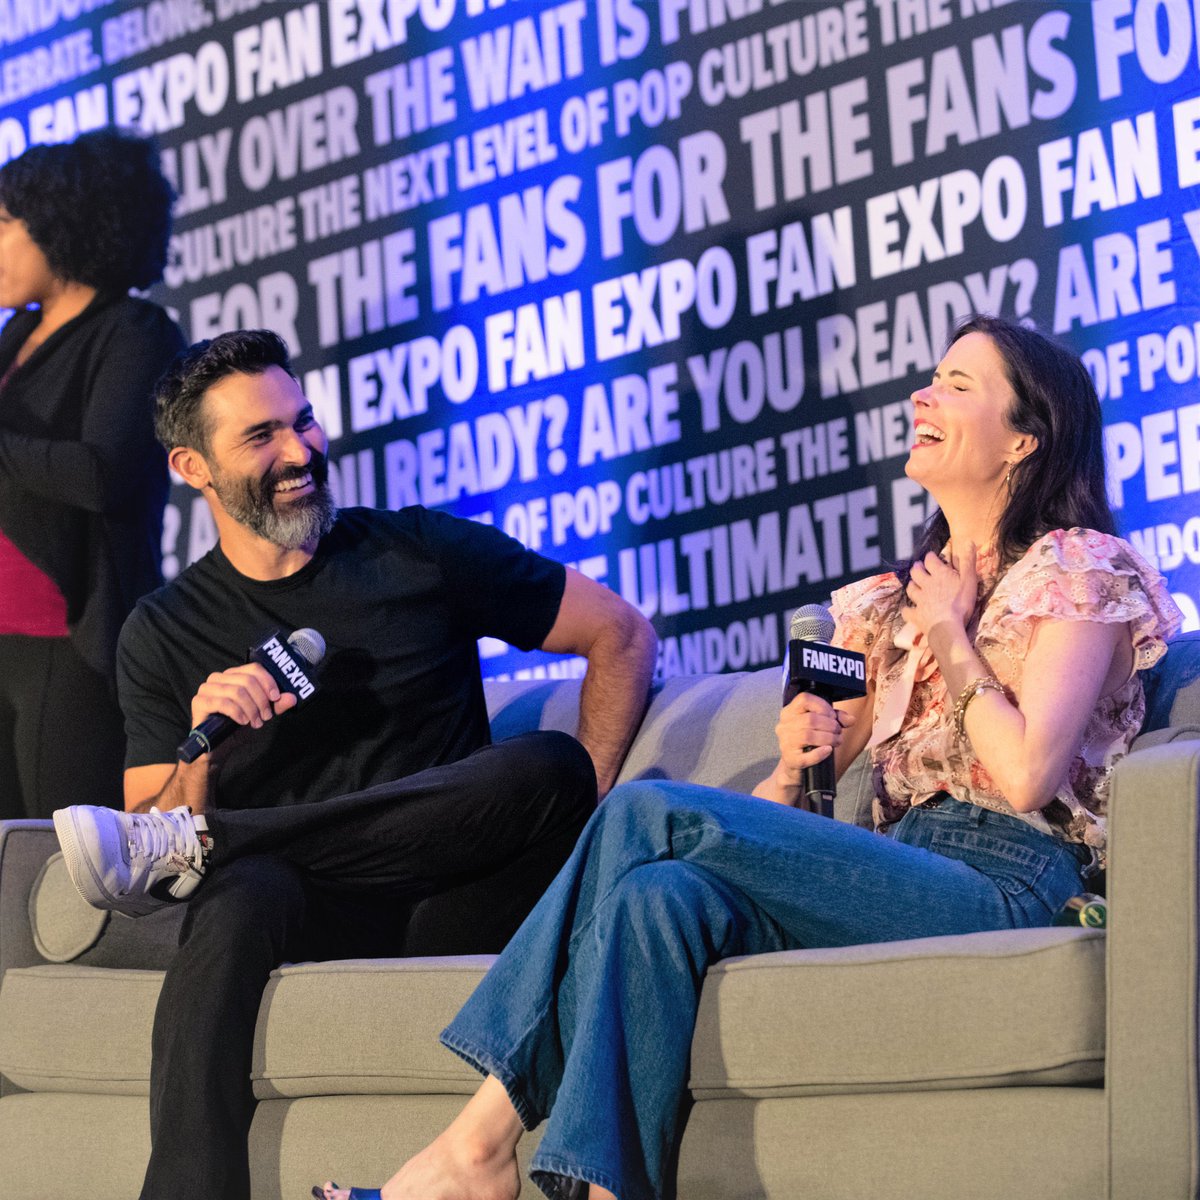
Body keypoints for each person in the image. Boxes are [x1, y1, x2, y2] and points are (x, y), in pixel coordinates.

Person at [312, 315, 1182, 1200]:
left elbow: (1031, 773)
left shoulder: (1078, 567)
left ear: (1025, 438)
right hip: (896, 862)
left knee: (646, 814)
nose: (924, 393)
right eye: (931, 376)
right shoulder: (880, 607)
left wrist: (953, 635)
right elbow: (802, 815)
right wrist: (791, 765)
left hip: (1011, 879)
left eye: (959, 384)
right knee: (660, 896)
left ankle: (477, 1147)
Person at [51, 328, 658, 1200]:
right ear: (193, 469)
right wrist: (202, 738)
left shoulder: (417, 552)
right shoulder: (162, 631)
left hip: (459, 889)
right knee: (234, 896)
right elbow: (153, 846)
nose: (300, 452)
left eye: (302, 422)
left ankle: (232, 839)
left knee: (549, 767)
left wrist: (595, 793)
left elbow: (620, 633)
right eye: (261, 437)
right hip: (314, 906)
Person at [0, 128, 185, 819]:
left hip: (68, 648)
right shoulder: (16, 337)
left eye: (3, 223)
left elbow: (102, 475)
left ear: (60, 223)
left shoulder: (136, 332)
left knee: (58, 873)